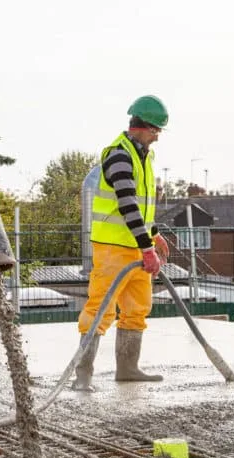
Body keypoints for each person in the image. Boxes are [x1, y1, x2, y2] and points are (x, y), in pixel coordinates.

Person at [72, 95, 171, 392]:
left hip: (136, 245)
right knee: (100, 309)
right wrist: (148, 248)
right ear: (141, 126)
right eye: (156, 130)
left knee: (137, 307)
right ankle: (83, 374)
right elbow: (126, 203)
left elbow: (141, 206)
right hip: (113, 247)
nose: (158, 136)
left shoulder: (145, 157)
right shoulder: (118, 155)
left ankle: (127, 369)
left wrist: (152, 233)